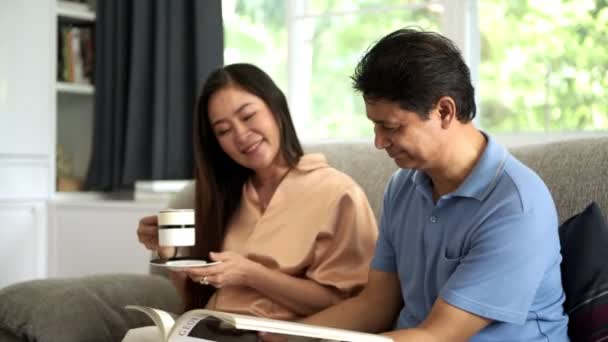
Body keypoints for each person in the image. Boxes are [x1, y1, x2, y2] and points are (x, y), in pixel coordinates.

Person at [262, 28, 569, 341]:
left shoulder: (515, 206)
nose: (379, 142)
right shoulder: (403, 186)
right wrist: (285, 336)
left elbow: (436, 335)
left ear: (444, 111)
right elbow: (374, 306)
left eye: (391, 127)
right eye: (375, 126)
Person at [129, 63, 378, 341]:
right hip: (207, 330)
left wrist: (251, 274)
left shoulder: (337, 192)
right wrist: (169, 252)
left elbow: (347, 304)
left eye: (248, 116)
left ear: (275, 108)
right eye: (223, 131)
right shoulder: (227, 196)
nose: (241, 135)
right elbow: (196, 298)